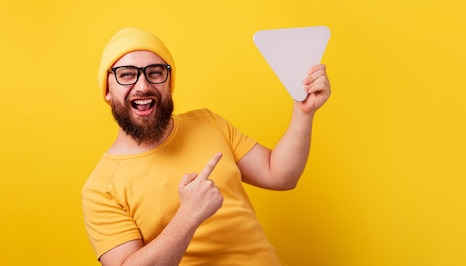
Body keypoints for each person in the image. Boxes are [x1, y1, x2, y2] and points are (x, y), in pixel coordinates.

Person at [81, 27, 331, 266]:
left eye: (155, 72)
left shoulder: (207, 122)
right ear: (107, 90)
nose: (143, 85)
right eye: (127, 75)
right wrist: (188, 216)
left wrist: (303, 111)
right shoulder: (100, 189)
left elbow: (280, 175)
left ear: (169, 83)